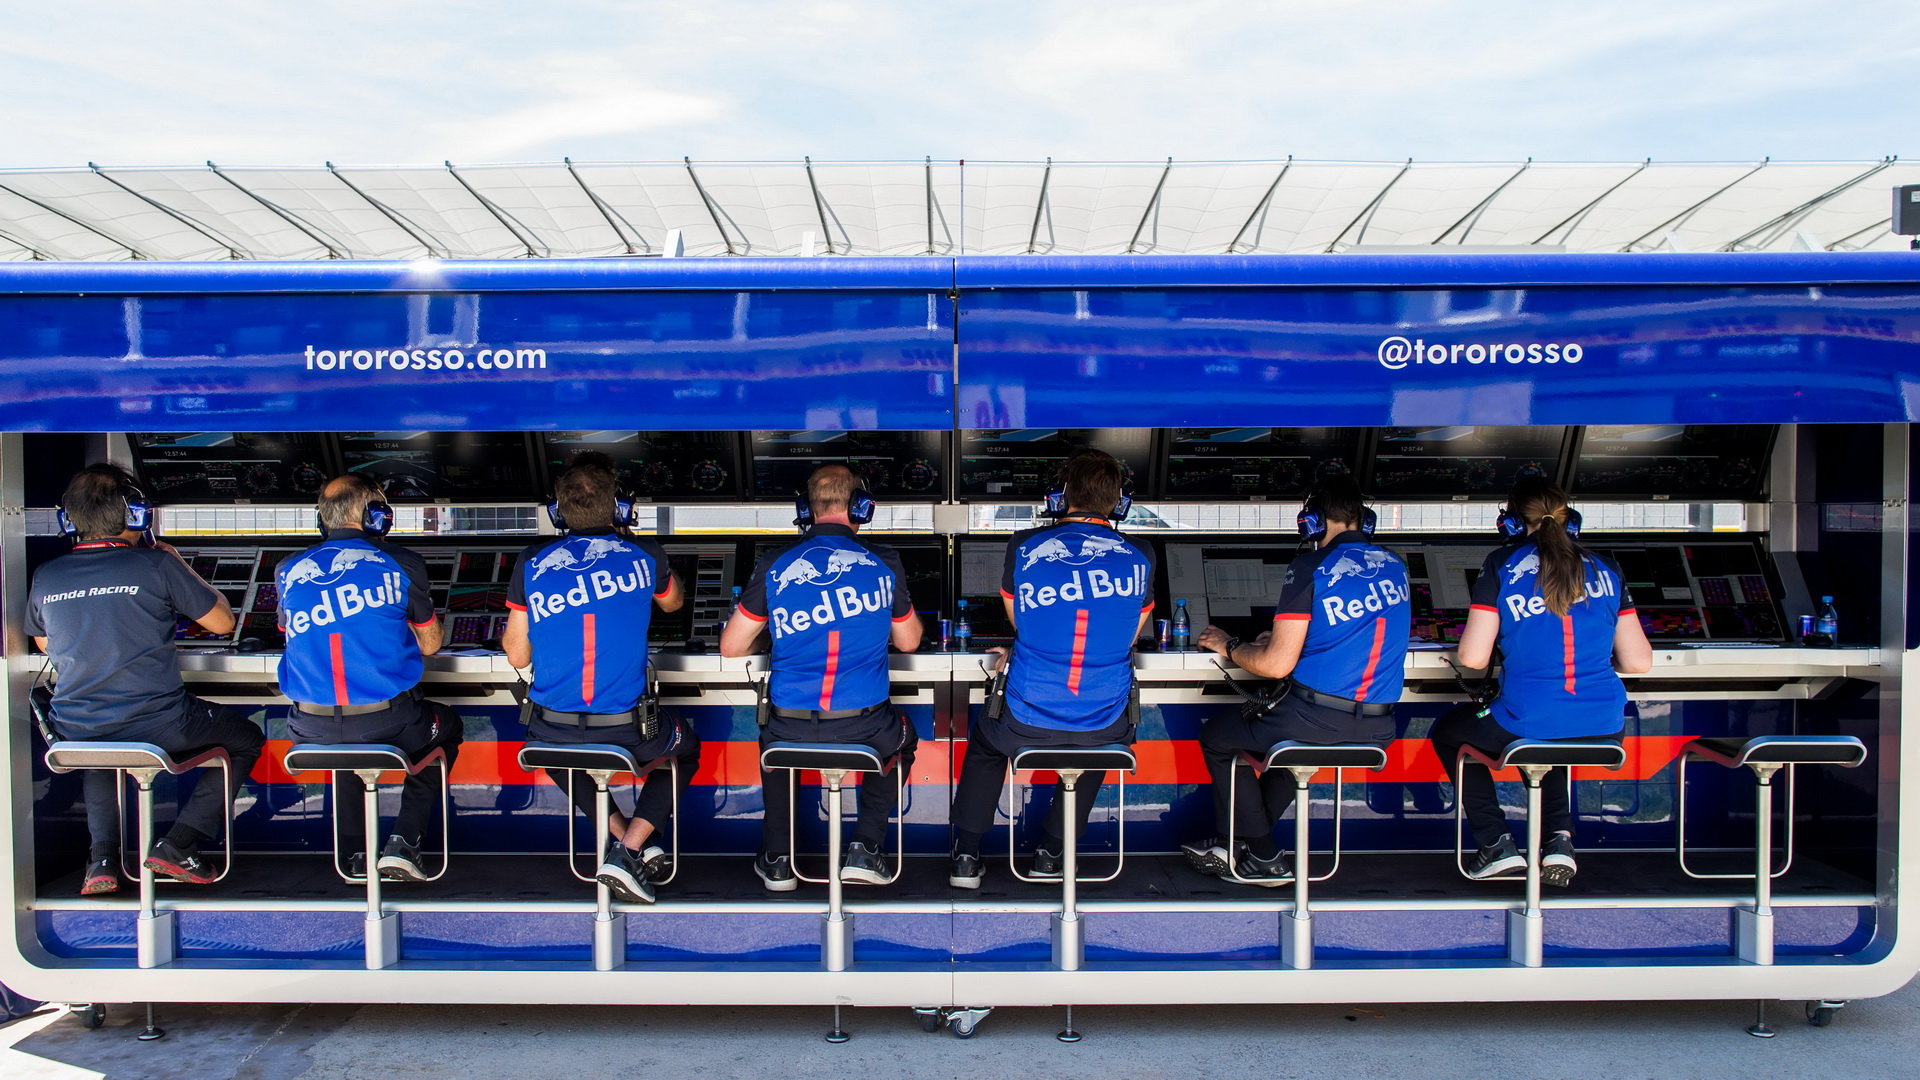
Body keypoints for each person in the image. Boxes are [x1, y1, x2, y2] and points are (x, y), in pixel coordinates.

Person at [27, 463, 265, 893]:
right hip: (159, 725)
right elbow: (222, 623)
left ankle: (100, 861)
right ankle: (178, 842)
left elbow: (45, 644)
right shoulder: (156, 564)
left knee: (96, 748)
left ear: (70, 520)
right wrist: (173, 560)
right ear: (137, 514)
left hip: (75, 728)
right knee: (246, 736)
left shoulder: (48, 574)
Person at [1182, 475, 1410, 886]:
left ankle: (1265, 855)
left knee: (1218, 737)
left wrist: (1227, 643)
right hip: (1380, 725)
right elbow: (1346, 638)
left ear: (1314, 523)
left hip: (1315, 718)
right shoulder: (1395, 565)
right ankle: (1240, 846)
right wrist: (1287, 642)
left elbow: (1273, 667)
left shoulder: (1311, 566)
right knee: (1292, 753)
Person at [947, 450, 1153, 889]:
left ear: (1059, 499)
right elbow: (1131, 634)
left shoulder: (1024, 547)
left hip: (1026, 720)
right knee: (1103, 733)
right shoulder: (1142, 553)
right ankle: (1052, 853)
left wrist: (1025, 650)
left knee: (985, 740)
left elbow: (1021, 621)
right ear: (1119, 503)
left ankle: (966, 854)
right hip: (1103, 722)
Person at [502, 453, 701, 904]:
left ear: (558, 511)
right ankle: (630, 847)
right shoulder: (645, 555)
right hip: (625, 729)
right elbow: (672, 605)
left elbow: (516, 652)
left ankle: (624, 841)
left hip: (550, 729)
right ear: (620, 508)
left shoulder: (532, 562)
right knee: (684, 748)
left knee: (555, 751)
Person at [1431, 478, 1652, 884]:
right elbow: (1638, 662)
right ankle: (1558, 842)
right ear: (1572, 520)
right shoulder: (1606, 569)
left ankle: (1495, 843)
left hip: (1530, 718)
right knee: (1552, 740)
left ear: (1511, 523)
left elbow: (1473, 657)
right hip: (1605, 727)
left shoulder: (1502, 564)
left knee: (1448, 732)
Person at [720, 464, 922, 891]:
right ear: (862, 508)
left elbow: (732, 647)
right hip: (865, 725)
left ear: (805, 509)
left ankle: (777, 859)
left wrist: (767, 643)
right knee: (904, 735)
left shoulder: (775, 562)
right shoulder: (883, 561)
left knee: (773, 740)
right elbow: (909, 641)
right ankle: (866, 848)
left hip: (790, 723)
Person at [277, 474, 463, 882]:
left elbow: (290, 630)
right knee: (446, 727)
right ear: (376, 516)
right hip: (390, 724)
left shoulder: (287, 569)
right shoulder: (401, 563)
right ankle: (404, 841)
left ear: (321, 519)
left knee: (345, 747)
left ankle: (355, 853)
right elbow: (430, 644)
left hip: (308, 728)